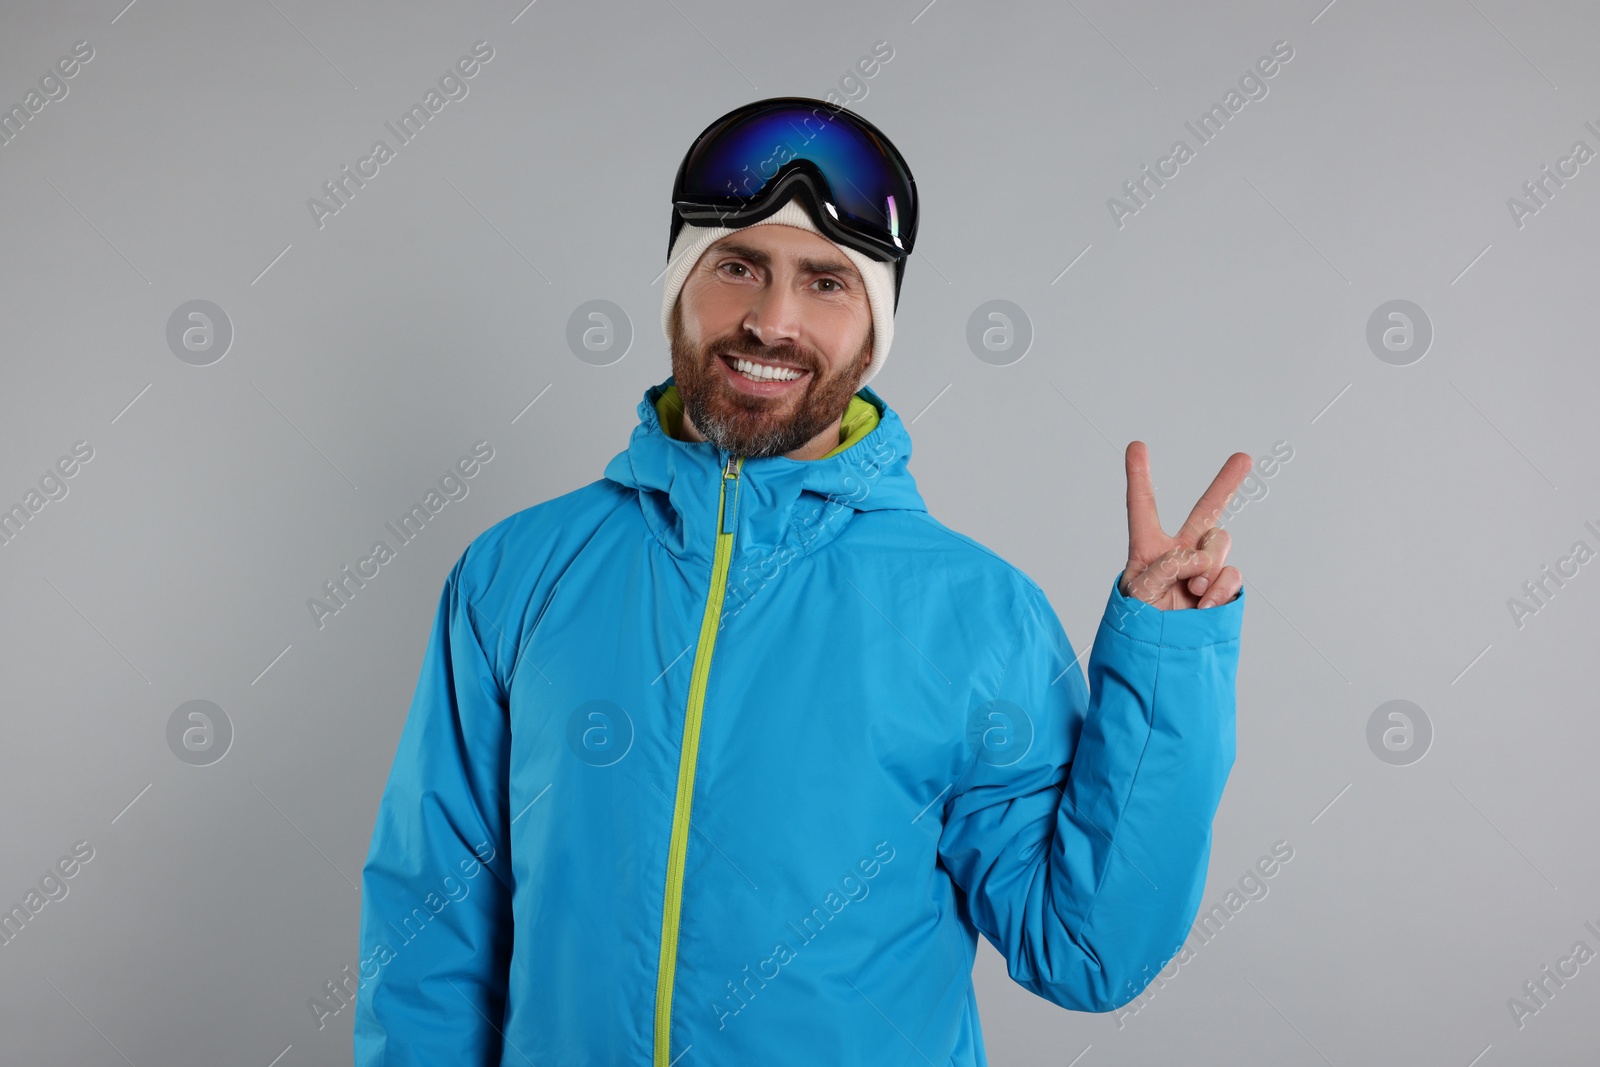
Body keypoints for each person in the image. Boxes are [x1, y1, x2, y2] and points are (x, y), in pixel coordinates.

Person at [353, 96, 1250, 1067]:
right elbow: (431, 930)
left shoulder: (976, 614)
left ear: (873, 331)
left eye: (826, 282)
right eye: (738, 265)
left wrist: (1164, 662)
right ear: (677, 288)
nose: (771, 321)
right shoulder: (515, 573)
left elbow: (1085, 948)